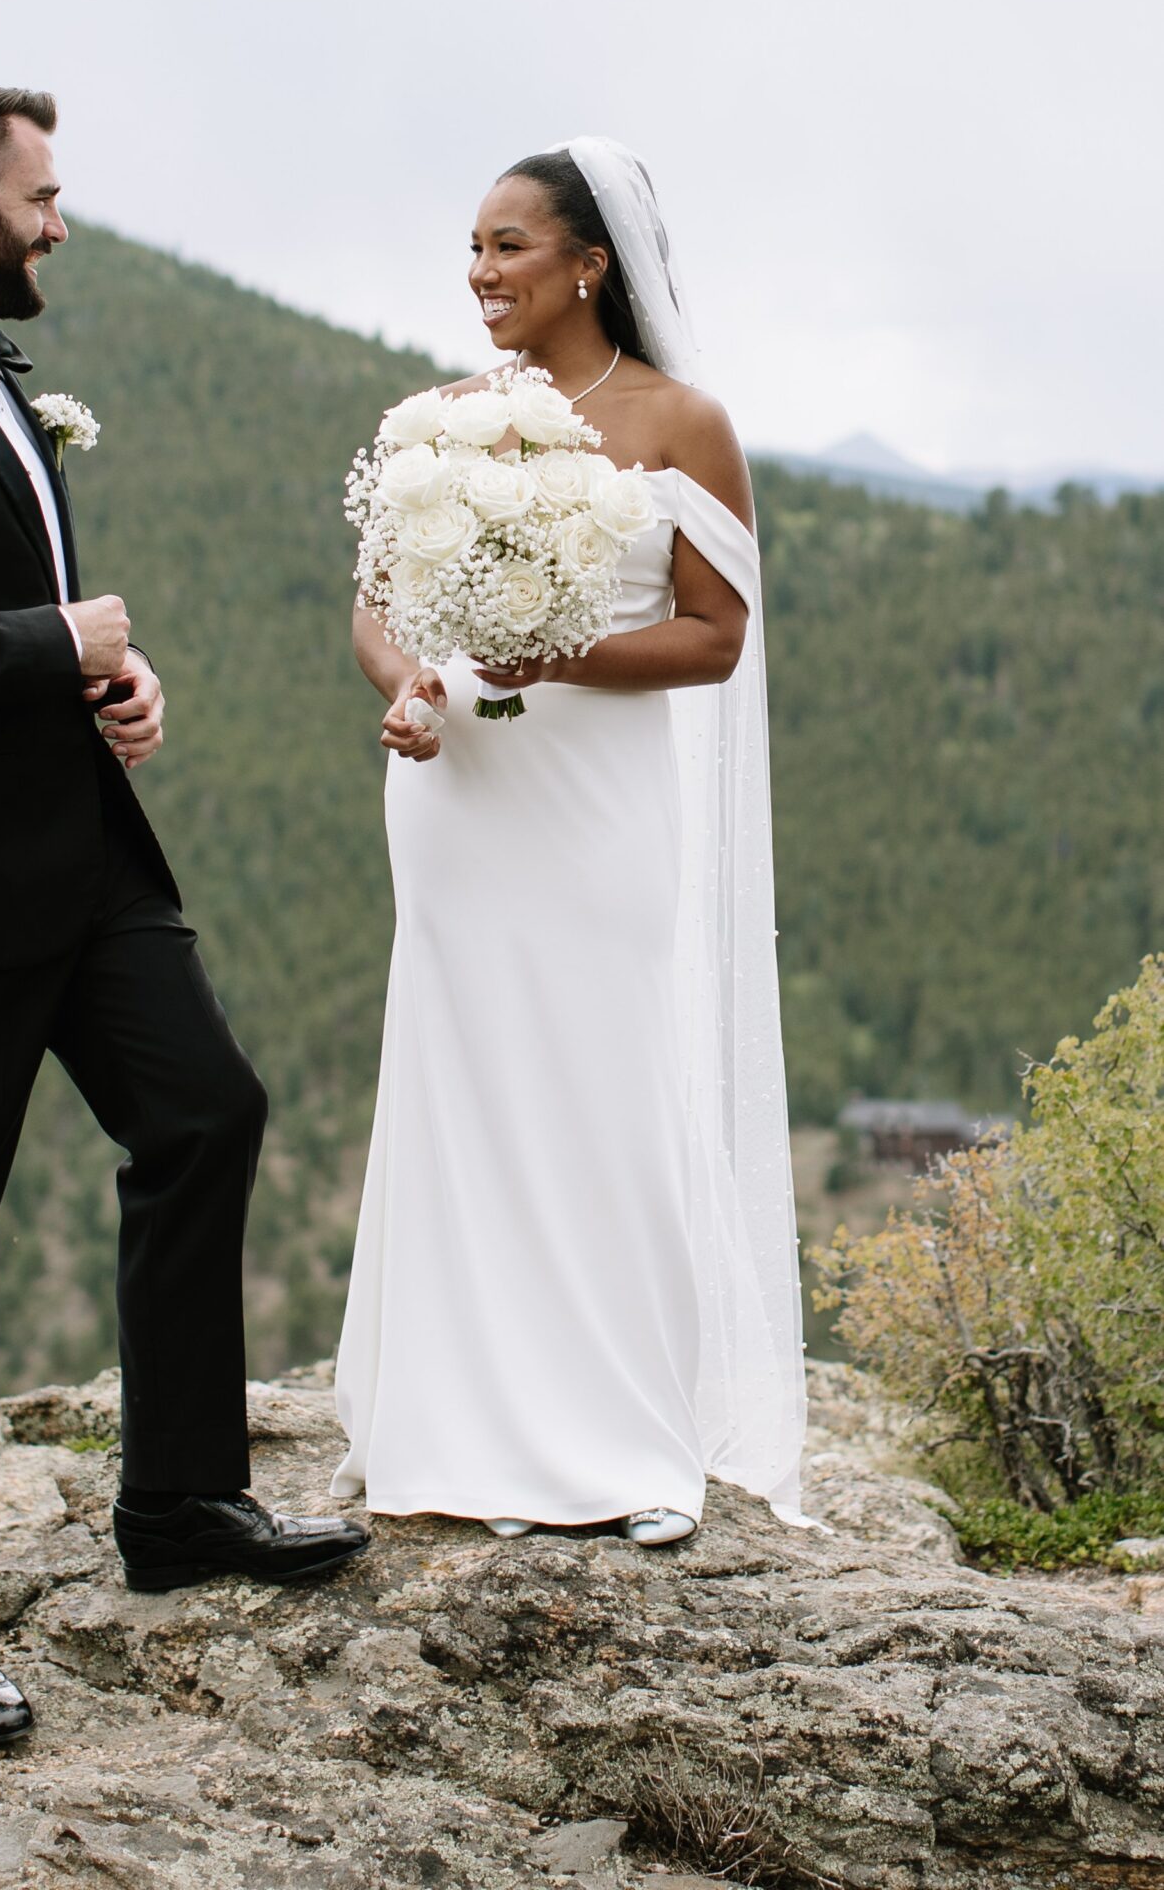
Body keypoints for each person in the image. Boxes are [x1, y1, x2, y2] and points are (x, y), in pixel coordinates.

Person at [0, 73, 367, 1749]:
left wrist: (113, 680)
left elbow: (14, 611)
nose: (61, 222)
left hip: (80, 860)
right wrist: (58, 647)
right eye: (40, 196)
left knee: (205, 1116)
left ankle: (176, 1507)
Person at [333, 137, 806, 1542]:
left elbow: (716, 639)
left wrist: (564, 652)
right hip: (459, 800)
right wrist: (411, 686)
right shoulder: (436, 420)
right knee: (462, 1081)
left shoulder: (682, 424)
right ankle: (447, 1418)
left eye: (509, 246)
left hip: (597, 808)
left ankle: (624, 1437)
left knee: (598, 1078)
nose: (482, 273)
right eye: (473, 250)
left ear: (590, 262)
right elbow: (376, 605)